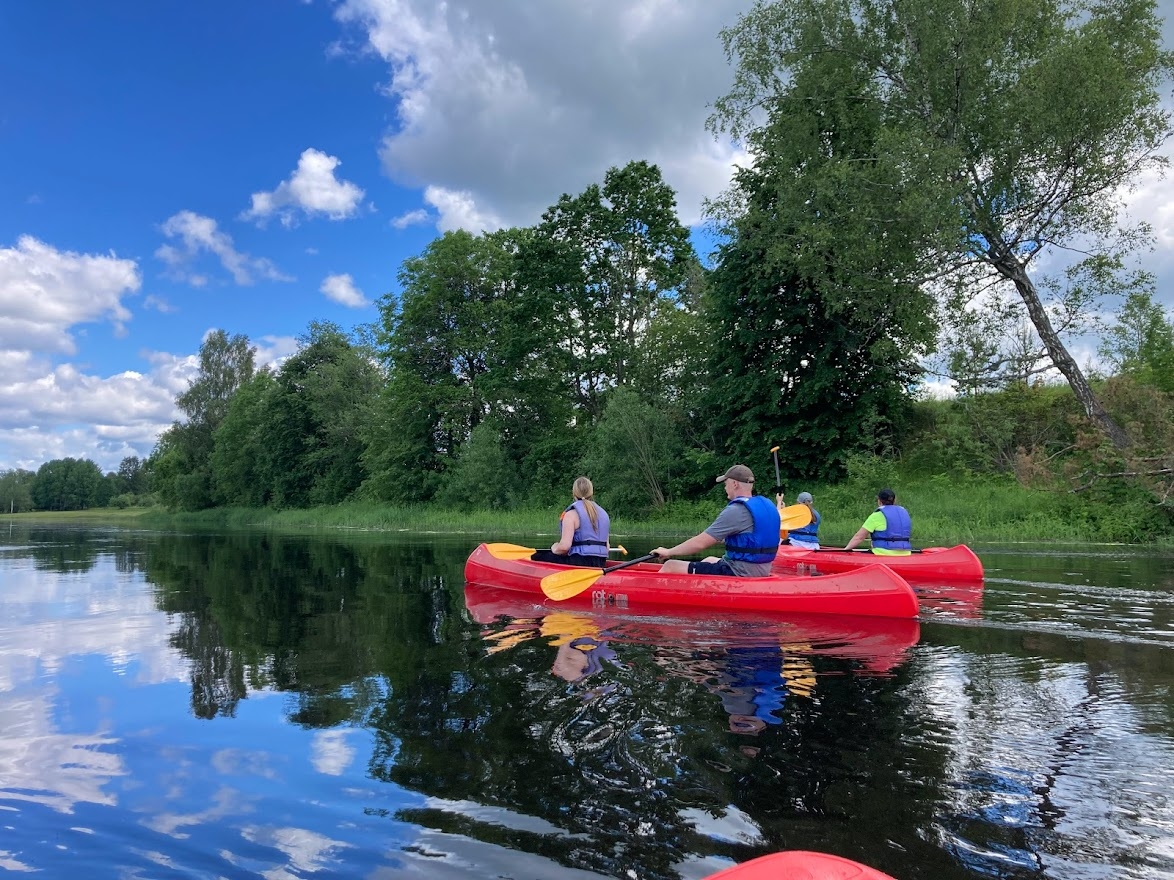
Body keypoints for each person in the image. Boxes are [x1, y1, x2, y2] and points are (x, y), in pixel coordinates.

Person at [653, 464, 781, 577]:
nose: (725, 488)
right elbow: (753, 536)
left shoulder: (736, 510)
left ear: (734, 484)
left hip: (740, 572)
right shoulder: (768, 505)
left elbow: (700, 544)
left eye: (725, 484)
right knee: (709, 560)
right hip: (762, 570)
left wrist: (668, 551)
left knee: (670, 565)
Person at [530, 476, 611, 568]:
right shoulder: (604, 514)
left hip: (578, 562)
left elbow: (564, 547)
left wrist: (555, 547)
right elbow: (606, 547)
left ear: (574, 493)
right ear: (591, 493)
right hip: (600, 563)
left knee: (536, 556)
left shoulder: (571, 515)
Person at [844, 488, 911, 556]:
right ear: (894, 501)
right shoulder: (904, 513)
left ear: (879, 501)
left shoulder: (877, 515)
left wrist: (845, 550)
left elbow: (859, 537)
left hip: (882, 553)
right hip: (906, 554)